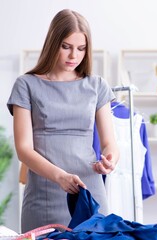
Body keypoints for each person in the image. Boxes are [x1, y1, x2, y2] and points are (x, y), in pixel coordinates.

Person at [7, 9, 119, 233]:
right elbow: (24, 149)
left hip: (89, 191)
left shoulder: (97, 85)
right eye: (66, 47)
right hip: (44, 195)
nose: (73, 56)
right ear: (52, 43)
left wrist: (110, 160)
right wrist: (59, 177)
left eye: (81, 49)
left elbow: (110, 143)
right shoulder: (26, 85)